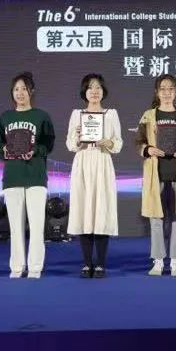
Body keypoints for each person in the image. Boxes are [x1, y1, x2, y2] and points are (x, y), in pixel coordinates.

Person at [0, 72, 56, 278]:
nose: (20, 93)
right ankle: (17, 267)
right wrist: (3, 151)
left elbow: (48, 144)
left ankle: (35, 267)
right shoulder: (5, 117)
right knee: (15, 227)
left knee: (37, 226)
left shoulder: (41, 116)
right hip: (13, 176)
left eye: (24, 89)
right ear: (12, 93)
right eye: (16, 89)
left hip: (35, 176)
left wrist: (34, 150)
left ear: (31, 91)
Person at [135, 74, 176, 277]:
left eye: (170, 89)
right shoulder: (148, 115)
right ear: (157, 92)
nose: (167, 92)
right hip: (156, 172)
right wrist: (148, 149)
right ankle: (158, 260)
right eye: (163, 89)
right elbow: (139, 142)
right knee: (156, 217)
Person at [66, 74, 122, 278]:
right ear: (85, 92)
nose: (94, 91)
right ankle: (87, 263)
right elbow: (70, 144)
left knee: (101, 210)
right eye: (90, 87)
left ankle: (100, 264)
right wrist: (79, 138)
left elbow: (118, 143)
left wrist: (108, 142)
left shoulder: (111, 114)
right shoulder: (77, 114)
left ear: (103, 91)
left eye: (98, 87)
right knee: (84, 210)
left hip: (102, 161)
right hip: (82, 162)